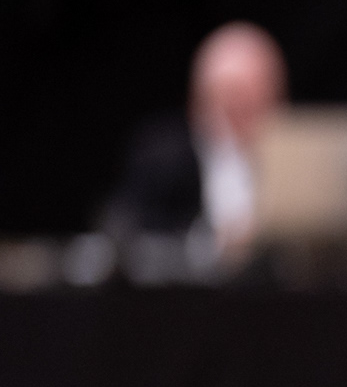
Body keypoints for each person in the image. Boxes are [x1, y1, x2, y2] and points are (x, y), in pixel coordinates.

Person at [103, 20, 286, 263]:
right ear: (198, 98)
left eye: (252, 97)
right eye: (229, 94)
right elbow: (128, 231)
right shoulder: (162, 158)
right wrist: (209, 241)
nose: (240, 107)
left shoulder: (297, 160)